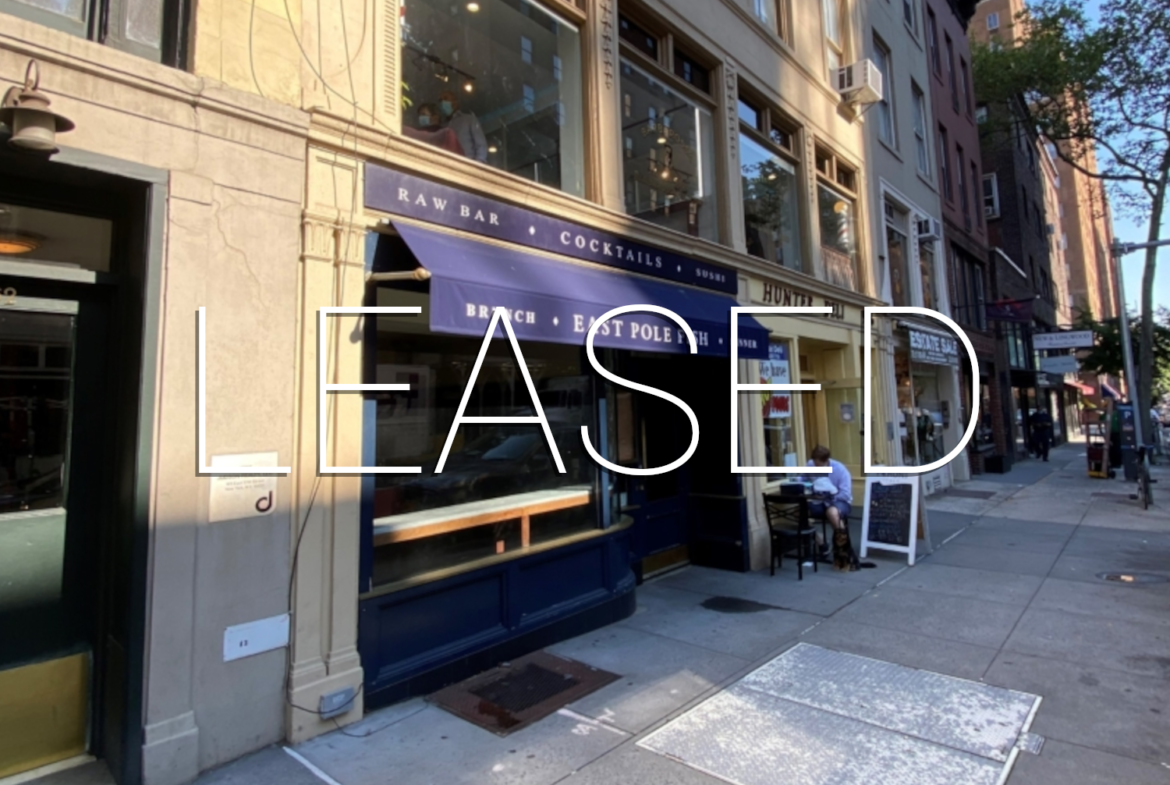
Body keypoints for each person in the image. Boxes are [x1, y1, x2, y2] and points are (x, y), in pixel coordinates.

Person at [805, 445, 852, 562]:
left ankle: (844, 550)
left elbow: (845, 494)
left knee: (832, 513)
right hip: (818, 500)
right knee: (798, 511)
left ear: (826, 461)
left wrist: (829, 496)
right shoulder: (810, 464)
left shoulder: (840, 469)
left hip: (838, 500)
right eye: (815, 465)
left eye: (819, 466)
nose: (816, 468)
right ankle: (820, 541)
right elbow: (802, 478)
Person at [438, 90, 488, 163]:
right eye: (440, 100)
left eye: (445, 98)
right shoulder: (442, 127)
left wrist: (477, 165)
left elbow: (481, 145)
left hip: (467, 165)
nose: (442, 102)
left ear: (455, 101)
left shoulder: (469, 119)